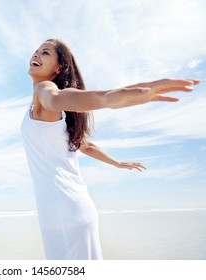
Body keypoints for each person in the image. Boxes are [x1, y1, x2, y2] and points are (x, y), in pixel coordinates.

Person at [20, 38, 200, 260]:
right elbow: (85, 145)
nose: (36, 55)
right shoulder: (45, 109)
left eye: (45, 53)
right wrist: (117, 163)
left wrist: (110, 98)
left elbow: (58, 98)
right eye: (36, 51)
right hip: (64, 211)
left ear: (59, 68)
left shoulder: (45, 90)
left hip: (63, 214)